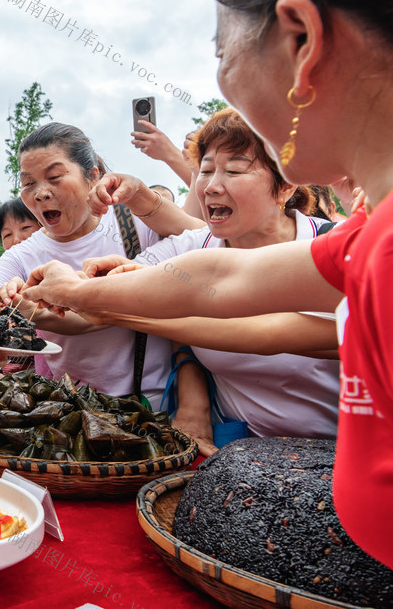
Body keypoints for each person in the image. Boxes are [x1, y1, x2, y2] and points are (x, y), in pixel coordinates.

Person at [20, 0, 393, 569]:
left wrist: (103, 297)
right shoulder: (366, 240)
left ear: (302, 40)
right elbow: (224, 278)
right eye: (206, 167)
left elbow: (259, 317)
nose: (211, 182)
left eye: (223, 52)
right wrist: (93, 293)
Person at [91, 108, 341, 449]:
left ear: (285, 186)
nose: (210, 186)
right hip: (233, 452)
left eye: (234, 170)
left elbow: (276, 335)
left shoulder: (334, 247)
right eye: (205, 170)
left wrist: (121, 308)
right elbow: (114, 287)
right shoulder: (192, 246)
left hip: (341, 454)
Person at [0, 123, 200, 403]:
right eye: (28, 183)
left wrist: (141, 193)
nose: (40, 193)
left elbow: (202, 239)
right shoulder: (23, 253)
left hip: (153, 401)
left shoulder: (136, 224)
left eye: (54, 177)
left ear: (92, 176)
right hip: (69, 406)